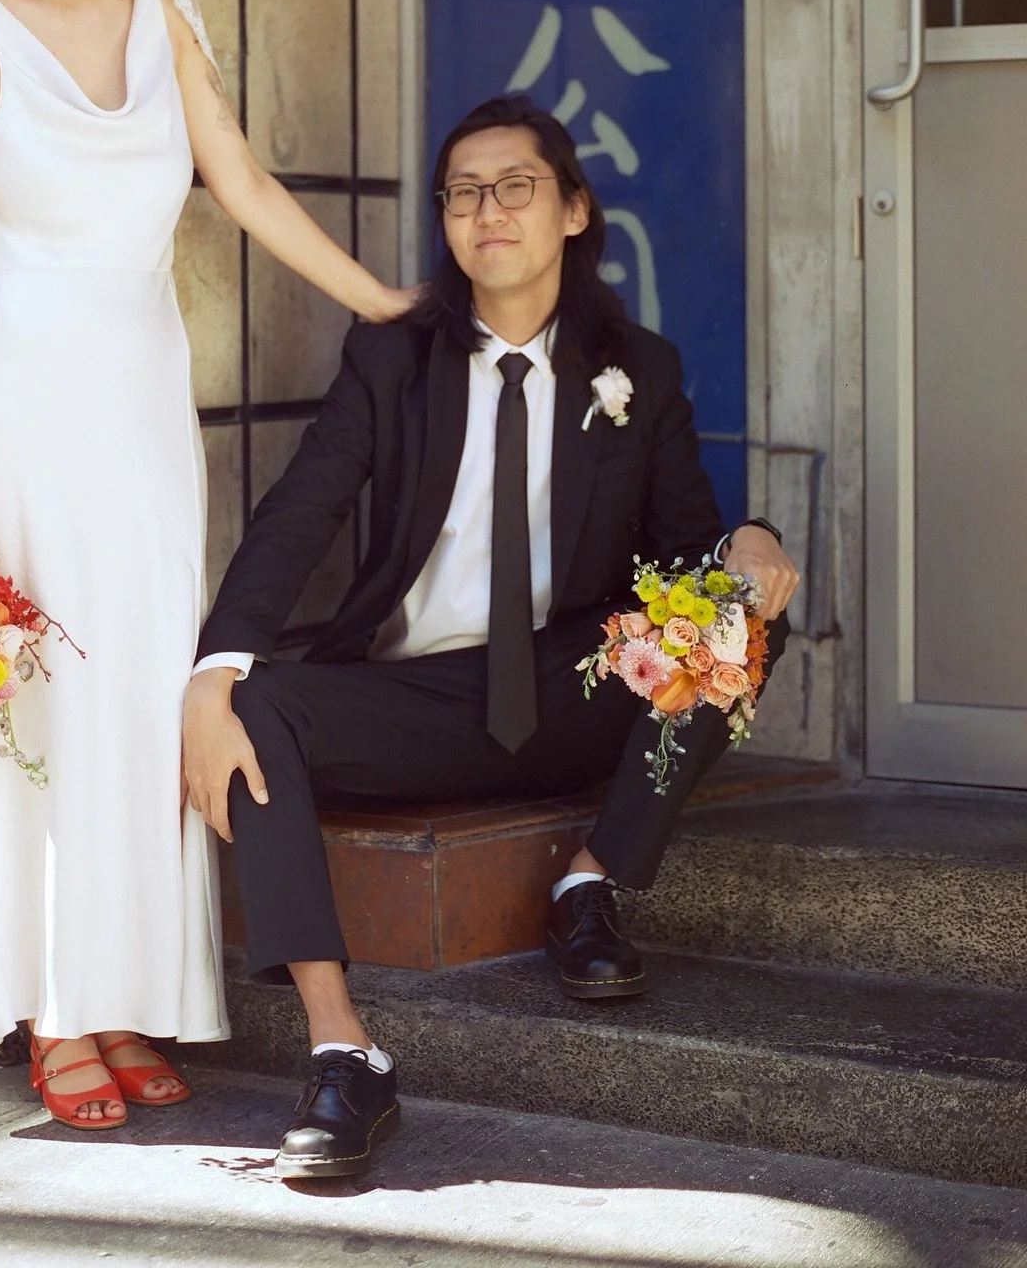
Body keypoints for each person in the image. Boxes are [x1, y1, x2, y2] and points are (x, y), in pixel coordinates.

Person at [0, 0, 411, 1130]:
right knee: (40, 708)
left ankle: (119, 997)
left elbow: (234, 176)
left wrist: (387, 303)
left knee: (136, 701)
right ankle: (56, 1012)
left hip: (140, 395)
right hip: (22, 390)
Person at [183, 94, 800, 1178]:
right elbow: (301, 511)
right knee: (256, 700)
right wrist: (215, 665)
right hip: (421, 695)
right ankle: (343, 1054)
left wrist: (752, 541)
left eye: (516, 186)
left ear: (572, 210)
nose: (488, 212)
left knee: (739, 621)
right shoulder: (393, 360)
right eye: (464, 193)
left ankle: (590, 882)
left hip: (569, 686)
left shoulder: (635, 369)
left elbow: (689, 546)